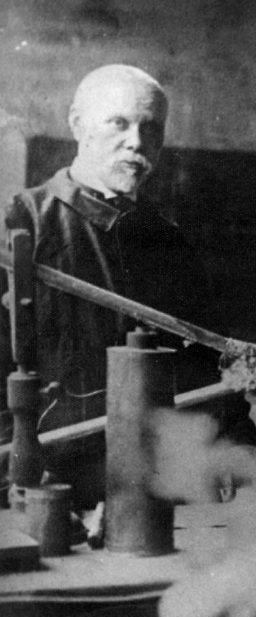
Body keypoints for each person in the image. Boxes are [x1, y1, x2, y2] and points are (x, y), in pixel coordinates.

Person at [0, 64, 225, 511]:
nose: (137, 142)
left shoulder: (169, 242)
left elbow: (207, 370)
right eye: (118, 123)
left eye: (151, 129)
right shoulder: (20, 225)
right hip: (48, 491)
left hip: (155, 494)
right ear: (78, 123)